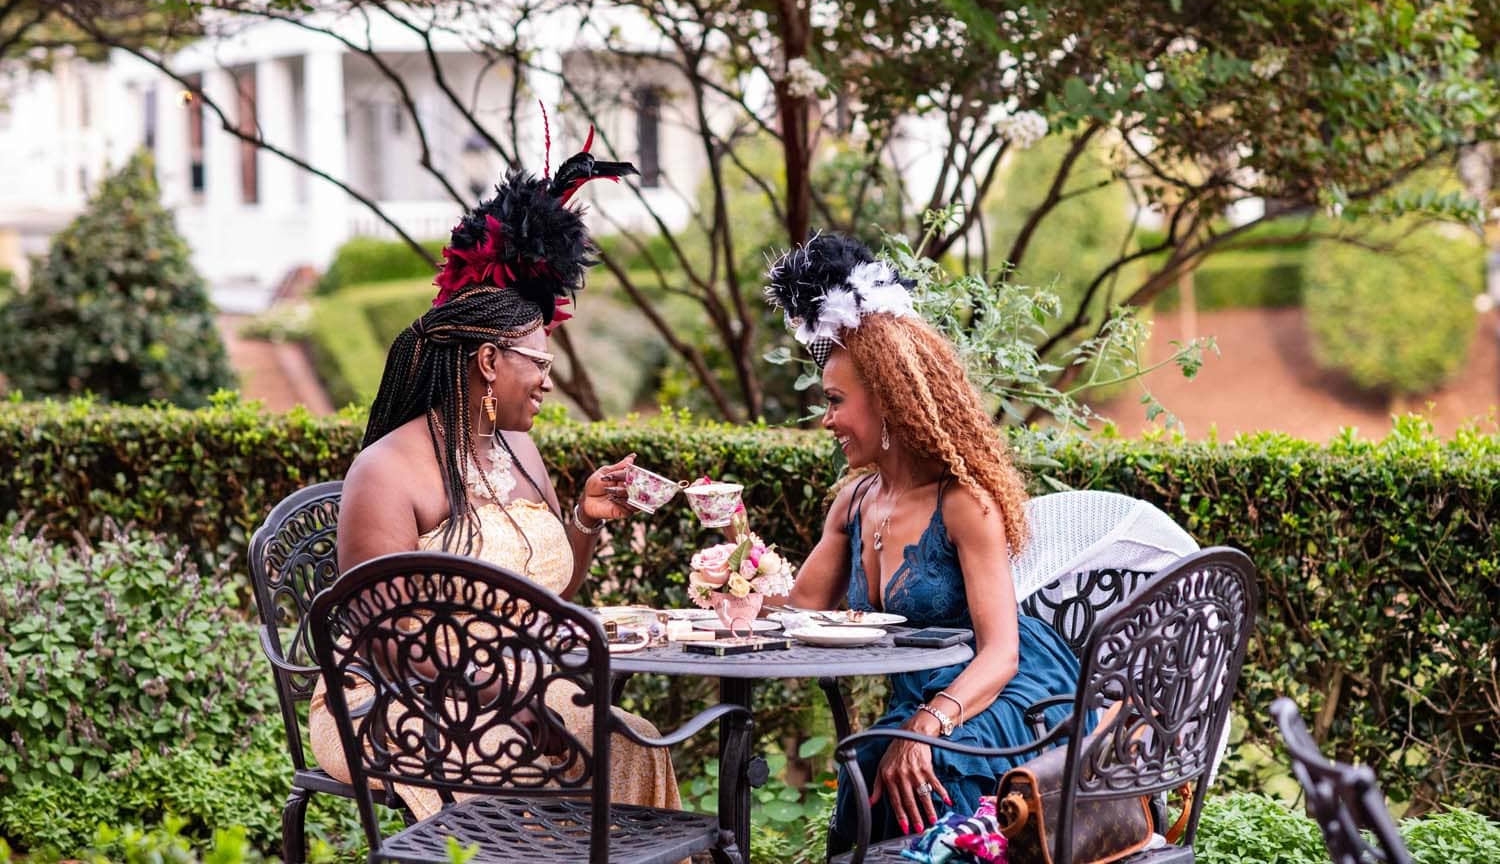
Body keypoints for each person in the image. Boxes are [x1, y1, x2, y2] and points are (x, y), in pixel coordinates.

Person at [307, 136, 679, 819]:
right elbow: (382, 635)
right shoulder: (386, 470)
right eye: (535, 361)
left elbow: (548, 590)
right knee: (526, 750)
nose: (547, 378)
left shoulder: (520, 452)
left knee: (638, 741)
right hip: (401, 698)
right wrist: (506, 694)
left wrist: (585, 520)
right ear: (486, 361)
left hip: (513, 686)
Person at [765, 233, 1092, 853]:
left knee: (916, 768)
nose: (827, 419)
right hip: (921, 704)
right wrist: (732, 565)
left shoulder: (964, 503)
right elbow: (798, 608)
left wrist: (927, 726)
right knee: (871, 766)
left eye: (836, 402)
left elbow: (1002, 655)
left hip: (1003, 698)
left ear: (888, 401)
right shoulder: (855, 502)